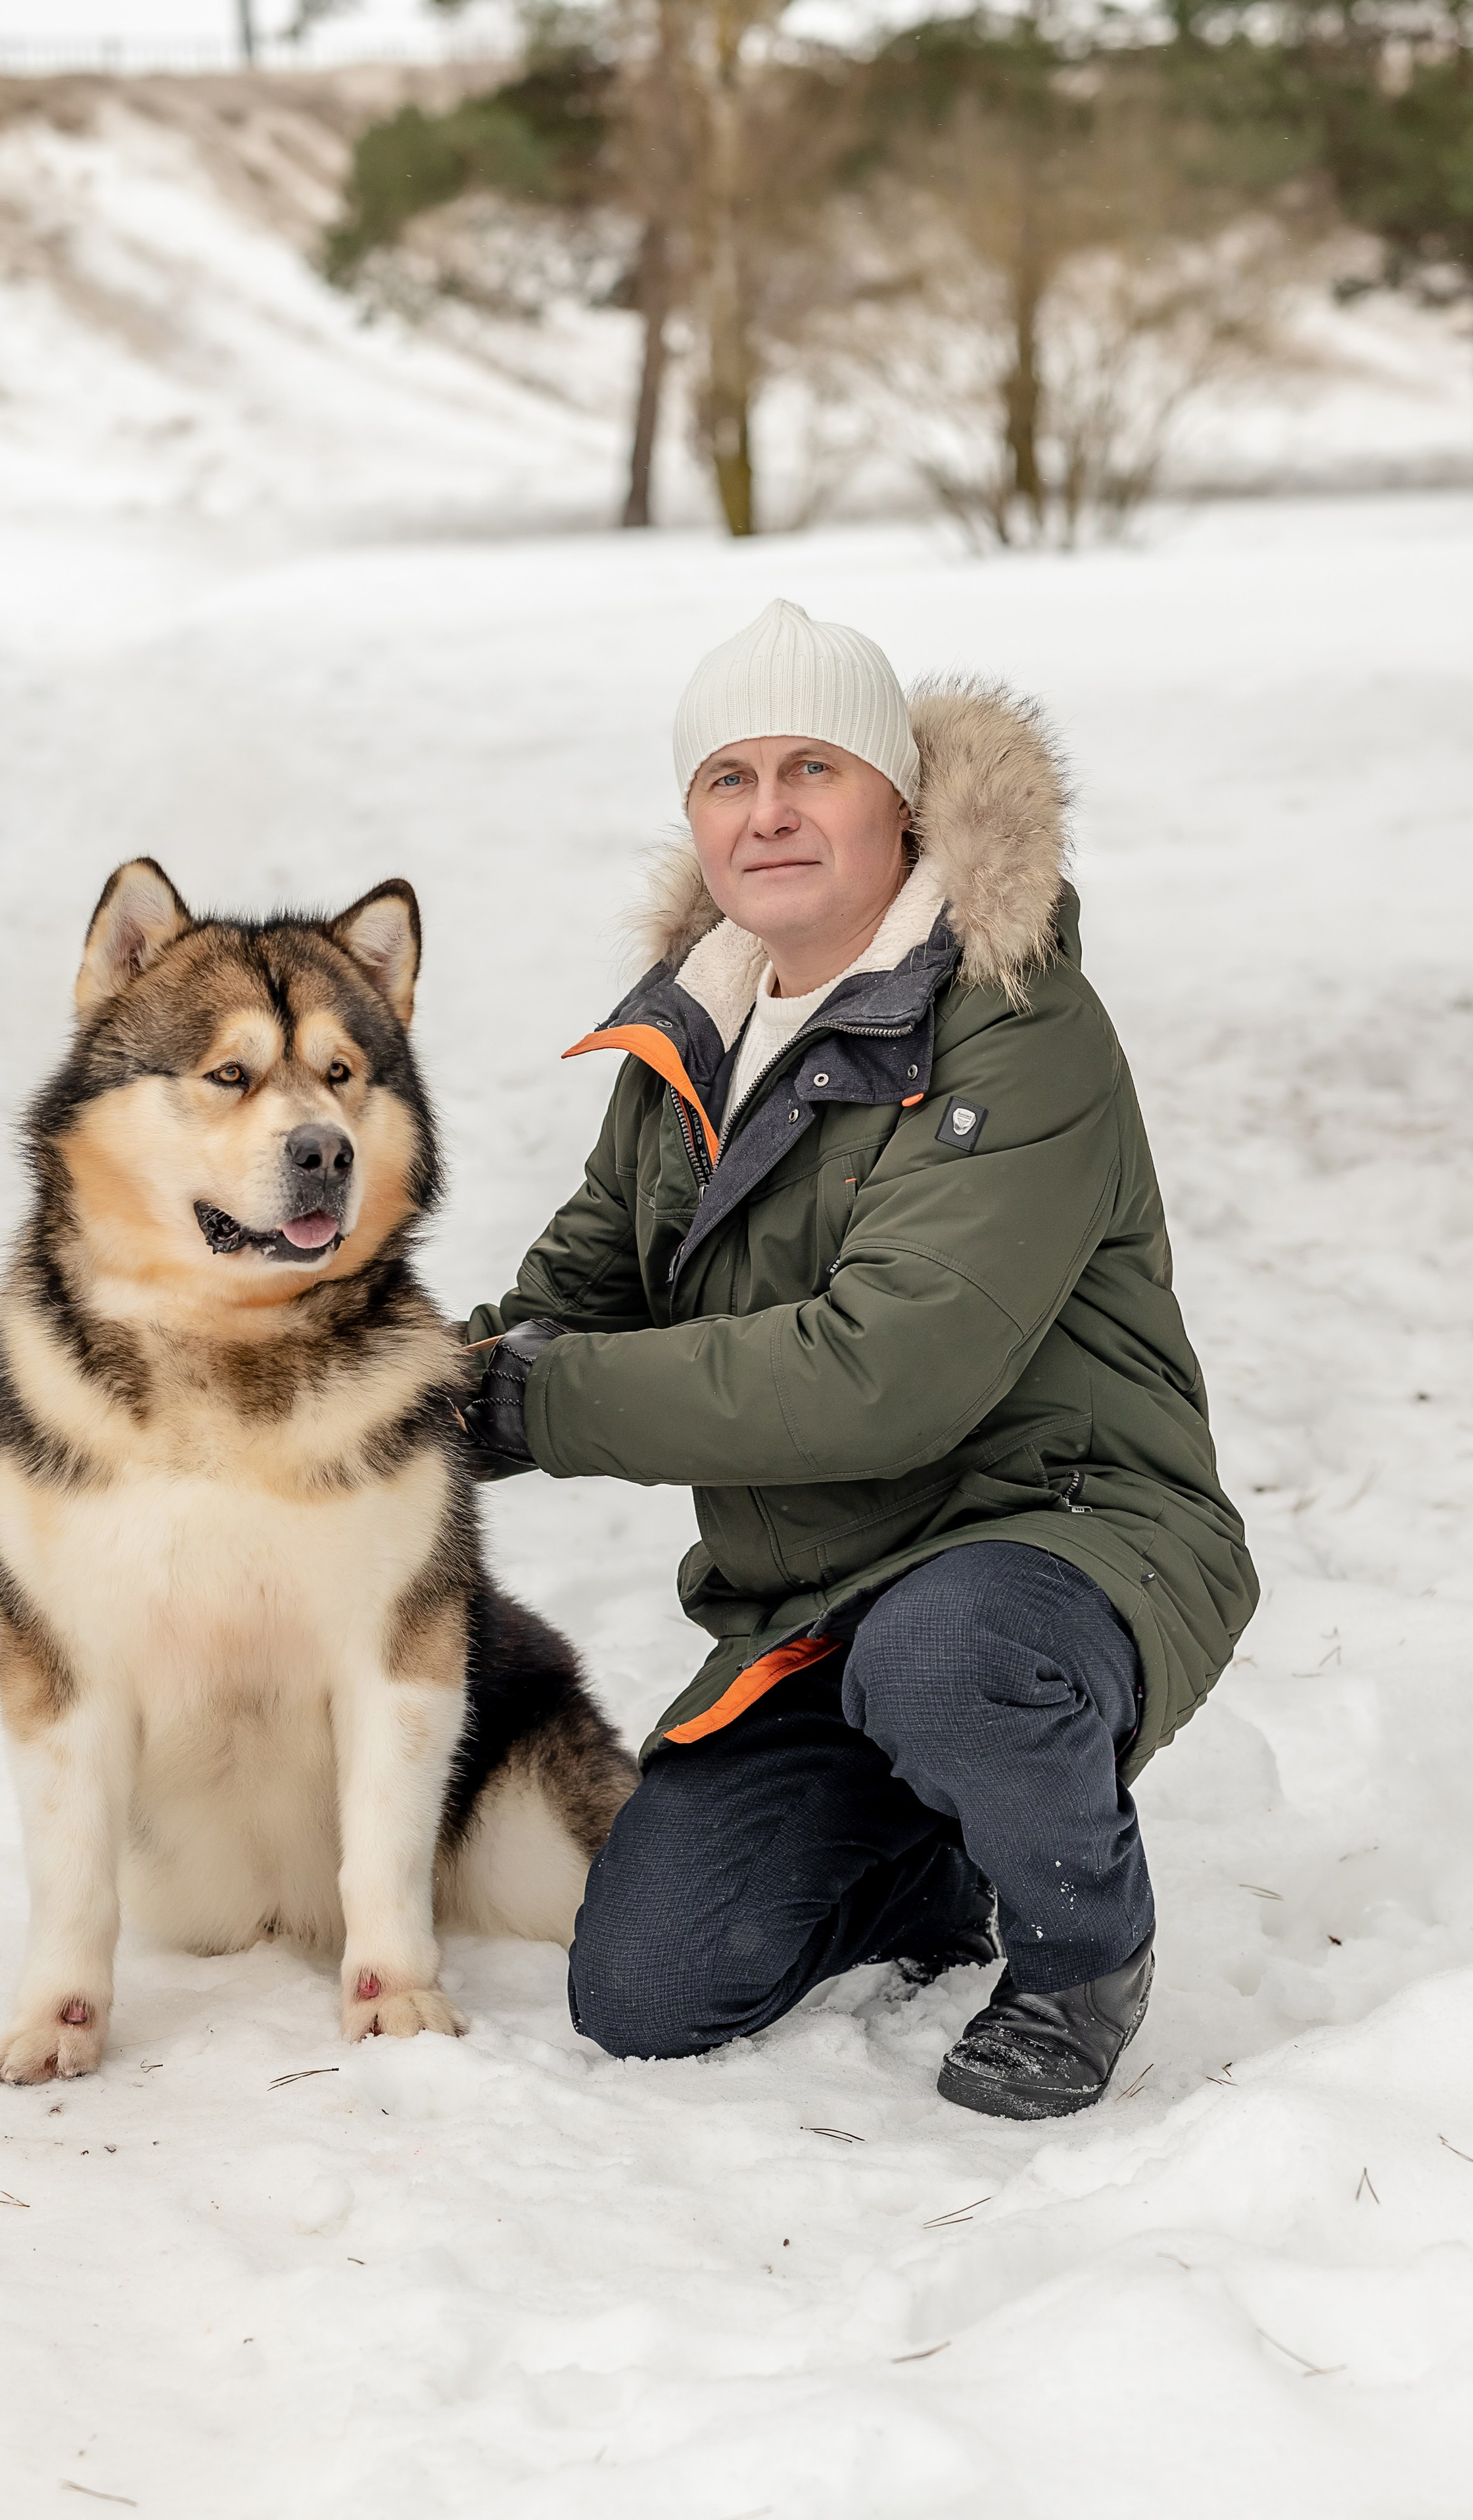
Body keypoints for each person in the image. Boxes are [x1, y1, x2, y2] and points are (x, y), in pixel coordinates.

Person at [461, 599, 1257, 2119]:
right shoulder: (691, 1042)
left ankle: (1080, 1948)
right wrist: (372, 1392)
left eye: (810, 769)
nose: (766, 813)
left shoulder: (1014, 1024)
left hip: (1061, 1540)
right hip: (815, 1605)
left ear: (895, 799)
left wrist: (531, 1402)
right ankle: (931, 1859)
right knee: (645, 1991)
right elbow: (567, 1300)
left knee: (948, 1658)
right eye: (726, 779)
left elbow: (881, 1372)